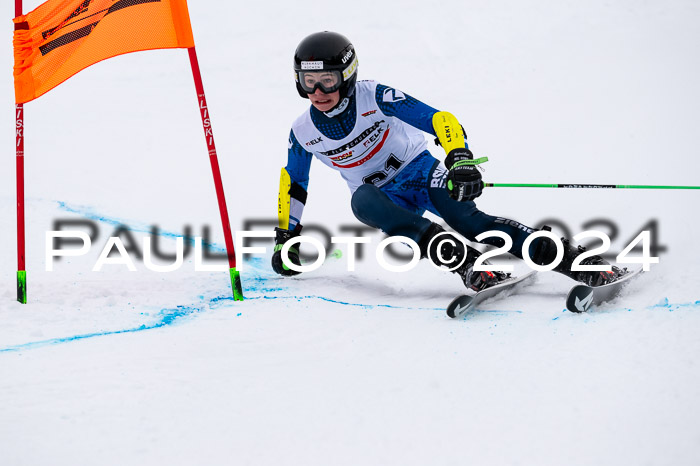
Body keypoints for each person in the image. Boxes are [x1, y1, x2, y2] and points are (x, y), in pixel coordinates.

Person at [272, 31, 618, 291]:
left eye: (327, 80)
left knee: (470, 223)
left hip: (421, 172)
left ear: (347, 76)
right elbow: (295, 184)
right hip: (383, 198)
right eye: (309, 82)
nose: (318, 92)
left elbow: (442, 120)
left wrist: (460, 160)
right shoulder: (303, 131)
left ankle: (572, 259)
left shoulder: (374, 95)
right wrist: (286, 236)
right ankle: (466, 264)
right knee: (361, 200)